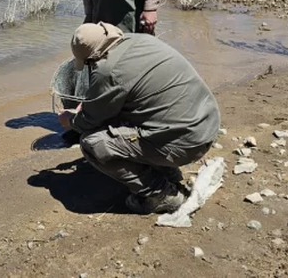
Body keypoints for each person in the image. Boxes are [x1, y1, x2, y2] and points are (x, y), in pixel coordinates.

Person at [57, 22, 221, 214]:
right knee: (127, 118)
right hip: (207, 124)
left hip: (186, 144)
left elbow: (89, 122)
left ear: (91, 58)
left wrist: (70, 120)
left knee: (93, 144)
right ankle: (167, 170)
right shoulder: (141, 40)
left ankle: (160, 194)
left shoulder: (107, 71)